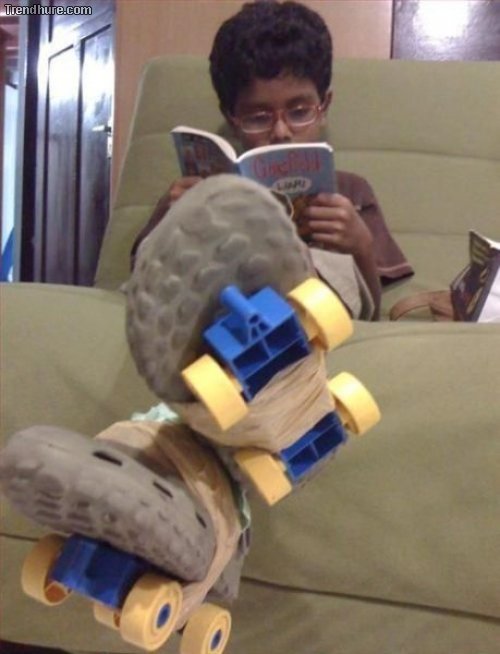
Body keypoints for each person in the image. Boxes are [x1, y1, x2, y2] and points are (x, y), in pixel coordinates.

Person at [130, 0, 413, 320]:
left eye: (299, 112)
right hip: (221, 291)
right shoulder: (204, 186)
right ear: (232, 118)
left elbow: (372, 312)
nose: (281, 132)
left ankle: (273, 305)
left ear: (324, 107)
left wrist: (361, 245)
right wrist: (170, 217)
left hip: (315, 306)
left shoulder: (350, 191)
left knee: (320, 265)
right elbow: (140, 269)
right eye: (258, 117)